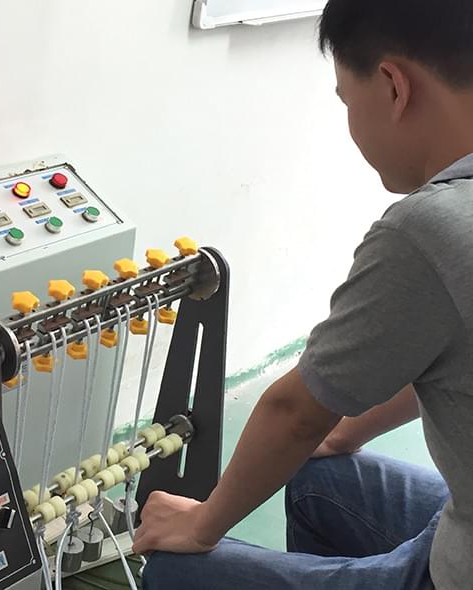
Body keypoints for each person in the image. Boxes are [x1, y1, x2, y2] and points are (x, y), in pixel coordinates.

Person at [132, 1, 473, 588]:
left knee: (173, 569)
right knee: (317, 474)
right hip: (458, 518)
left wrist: (201, 526)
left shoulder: (430, 229)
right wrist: (345, 428)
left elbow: (294, 415)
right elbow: (447, 341)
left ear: (393, 86)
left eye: (346, 100)